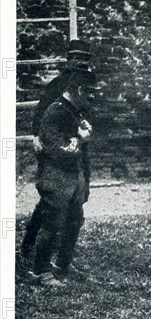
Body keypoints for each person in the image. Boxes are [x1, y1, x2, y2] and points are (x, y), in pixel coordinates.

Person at [20, 39, 93, 259]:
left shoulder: (87, 85)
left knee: (78, 196)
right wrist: (36, 136)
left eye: (84, 59)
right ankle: (30, 242)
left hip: (78, 145)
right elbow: (42, 113)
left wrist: (84, 135)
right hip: (56, 147)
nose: (80, 62)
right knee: (52, 199)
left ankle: (61, 250)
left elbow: (88, 113)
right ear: (69, 60)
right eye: (76, 58)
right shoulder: (58, 85)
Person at [30, 70, 98, 287]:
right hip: (56, 178)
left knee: (75, 221)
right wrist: (80, 137)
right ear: (79, 90)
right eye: (89, 94)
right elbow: (60, 151)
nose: (91, 99)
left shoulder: (74, 111)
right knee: (52, 224)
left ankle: (62, 265)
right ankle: (41, 271)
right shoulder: (55, 112)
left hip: (72, 178)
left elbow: (78, 151)